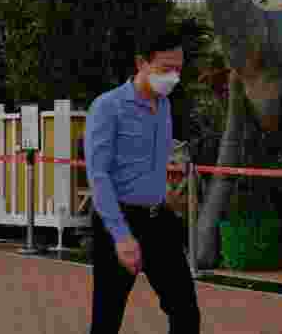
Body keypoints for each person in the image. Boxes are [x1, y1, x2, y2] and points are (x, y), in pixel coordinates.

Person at [84, 27, 201, 334]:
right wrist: (121, 236)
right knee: (107, 319)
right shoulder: (108, 107)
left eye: (178, 69)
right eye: (166, 68)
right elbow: (98, 175)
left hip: (158, 220)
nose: (174, 76)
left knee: (186, 311)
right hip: (117, 221)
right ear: (141, 64)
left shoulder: (164, 106)